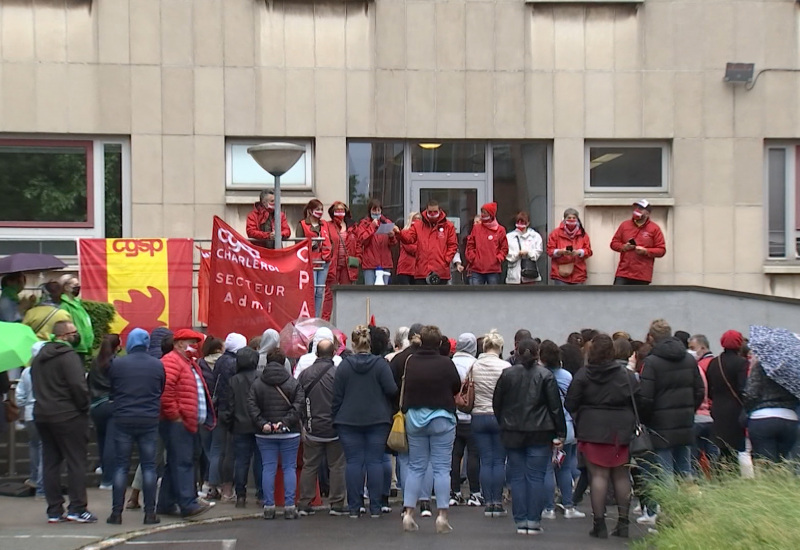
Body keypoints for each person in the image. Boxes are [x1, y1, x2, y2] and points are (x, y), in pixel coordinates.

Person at [565, 334, 640, 539]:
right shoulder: (626, 374)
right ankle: (623, 523)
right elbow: (639, 400)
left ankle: (599, 524)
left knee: (598, 476)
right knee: (621, 475)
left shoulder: (583, 374)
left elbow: (570, 403)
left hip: (592, 427)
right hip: (620, 429)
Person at [493, 338, 566, 536]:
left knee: (517, 476)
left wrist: (503, 422)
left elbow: (497, 403)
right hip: (540, 432)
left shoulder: (507, 374)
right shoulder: (546, 375)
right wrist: (560, 433)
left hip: (512, 430)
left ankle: (520, 520)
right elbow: (555, 407)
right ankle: (533, 520)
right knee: (536, 476)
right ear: (537, 353)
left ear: (516, 352)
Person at [637, 319, 704, 525]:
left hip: (660, 425)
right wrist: (688, 411)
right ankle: (689, 514)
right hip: (685, 423)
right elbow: (699, 390)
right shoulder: (689, 359)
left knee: (663, 472)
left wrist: (646, 420)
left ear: (651, 337)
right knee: (685, 471)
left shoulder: (652, 362)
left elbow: (645, 398)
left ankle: (667, 516)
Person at [31, 320, 96, 523]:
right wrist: (84, 407)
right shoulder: (69, 357)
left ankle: (54, 510)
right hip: (69, 415)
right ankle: (77, 508)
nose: (77, 335)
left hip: (42, 414)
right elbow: (78, 386)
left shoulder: (38, 358)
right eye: (74, 332)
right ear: (65, 336)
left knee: (51, 462)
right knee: (76, 462)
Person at [400, 326, 461, 533]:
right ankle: (442, 515)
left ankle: (408, 512)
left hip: (415, 418)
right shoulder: (446, 363)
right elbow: (456, 386)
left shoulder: (411, 362)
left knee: (416, 467)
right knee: (442, 468)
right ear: (438, 342)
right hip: (442, 417)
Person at [332, 325, 397, 518]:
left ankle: (354, 506)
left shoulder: (344, 366)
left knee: (353, 462)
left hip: (348, 419)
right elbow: (392, 390)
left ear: (353, 343)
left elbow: (336, 396)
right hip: (377, 419)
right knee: (375, 462)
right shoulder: (380, 365)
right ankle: (375, 507)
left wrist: (335, 417)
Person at [106, 328, 165, 525]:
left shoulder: (118, 364)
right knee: (149, 466)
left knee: (121, 466)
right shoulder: (157, 365)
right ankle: (150, 513)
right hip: (149, 419)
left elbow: (112, 390)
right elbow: (160, 388)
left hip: (123, 418)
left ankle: (116, 513)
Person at [157, 329, 215, 519]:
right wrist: (175, 415)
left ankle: (166, 503)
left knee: (176, 461)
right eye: (191, 342)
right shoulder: (172, 361)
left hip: (186, 421)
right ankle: (187, 504)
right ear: (179, 343)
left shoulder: (185, 362)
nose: (195, 346)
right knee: (183, 462)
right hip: (178, 422)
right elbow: (166, 391)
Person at [247, 347, 305, 520]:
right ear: (283, 362)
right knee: (289, 468)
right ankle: (289, 506)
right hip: (289, 432)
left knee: (268, 468)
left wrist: (263, 423)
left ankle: (269, 505)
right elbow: (299, 405)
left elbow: (251, 405)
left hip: (264, 434)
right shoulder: (292, 382)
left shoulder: (257, 383)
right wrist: (285, 422)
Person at [297, 340, 347, 516]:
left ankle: (304, 502)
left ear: (316, 353)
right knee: (337, 466)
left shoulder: (305, 374)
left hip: (312, 427)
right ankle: (337, 503)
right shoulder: (338, 374)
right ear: (334, 353)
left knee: (309, 465)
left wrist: (303, 421)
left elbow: (299, 401)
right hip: (335, 428)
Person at [538, 341, 584, 521]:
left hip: (546, 427)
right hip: (568, 428)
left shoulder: (541, 375)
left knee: (547, 469)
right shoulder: (566, 376)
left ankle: (548, 508)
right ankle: (568, 506)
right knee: (564, 468)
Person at [470, 330, 511, 518]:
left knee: (485, 460)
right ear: (500, 347)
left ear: (484, 347)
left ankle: (487, 502)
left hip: (478, 415)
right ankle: (497, 501)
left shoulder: (475, 366)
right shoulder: (505, 366)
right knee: (499, 461)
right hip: (499, 416)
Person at [220, 347, 263, 509]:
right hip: (259, 425)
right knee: (260, 462)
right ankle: (261, 494)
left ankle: (241, 495)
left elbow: (230, 406)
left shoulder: (234, 380)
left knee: (241, 462)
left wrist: (229, 424)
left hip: (239, 425)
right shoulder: (260, 378)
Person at [208, 333, 247, 501]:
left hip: (217, 409)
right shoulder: (235, 364)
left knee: (216, 449)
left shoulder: (220, 361)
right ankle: (227, 489)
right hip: (232, 411)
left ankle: (212, 486)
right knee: (230, 452)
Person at [743, 358, 799, 464]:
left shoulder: (761, 365)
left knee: (765, 464)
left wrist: (748, 409)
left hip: (762, 418)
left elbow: (750, 393)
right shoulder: (793, 367)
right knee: (784, 464)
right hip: (789, 418)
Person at [449, 333, 482, 507]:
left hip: (453, 416)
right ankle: (475, 492)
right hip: (472, 415)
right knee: (474, 455)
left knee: (455, 455)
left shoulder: (450, 363)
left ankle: (454, 492)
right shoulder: (475, 364)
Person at [705, 331, 748, 462]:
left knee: (721, 446)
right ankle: (731, 475)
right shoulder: (741, 363)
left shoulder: (714, 362)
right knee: (734, 449)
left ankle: (719, 474)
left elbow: (709, 387)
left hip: (717, 408)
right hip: (735, 409)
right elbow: (743, 388)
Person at [395, 199, 458, 285]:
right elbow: (408, 239)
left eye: (435, 212)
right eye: (430, 212)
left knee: (440, 298)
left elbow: (452, 245)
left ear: (440, 211)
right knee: (420, 298)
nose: (432, 214)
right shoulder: (418, 225)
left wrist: (446, 260)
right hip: (422, 271)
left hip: (441, 271)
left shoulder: (448, 226)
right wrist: (399, 233)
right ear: (426, 210)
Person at [88, 334, 122, 490]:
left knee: (101, 439)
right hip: (111, 404)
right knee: (111, 443)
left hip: (95, 406)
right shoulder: (116, 363)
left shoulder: (95, 363)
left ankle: (102, 466)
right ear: (117, 347)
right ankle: (108, 480)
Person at [15, 342, 47, 498]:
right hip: (45, 412)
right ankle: (42, 487)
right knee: (45, 449)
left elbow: (19, 396)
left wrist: (24, 404)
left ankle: (34, 478)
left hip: (29, 414)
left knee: (34, 446)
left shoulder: (27, 372)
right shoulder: (49, 370)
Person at [610, 200, 666, 285]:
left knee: (640, 298)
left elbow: (661, 250)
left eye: (640, 208)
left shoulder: (654, 228)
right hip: (623, 273)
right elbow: (614, 243)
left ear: (647, 213)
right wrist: (624, 247)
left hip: (642, 275)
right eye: (636, 208)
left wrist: (646, 251)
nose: (637, 210)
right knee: (617, 297)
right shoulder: (625, 225)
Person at [322, 201, 360, 320]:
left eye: (342, 209)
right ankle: (325, 321)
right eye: (337, 210)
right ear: (332, 212)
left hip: (348, 266)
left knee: (346, 293)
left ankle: (346, 320)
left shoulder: (353, 226)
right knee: (329, 294)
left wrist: (359, 258)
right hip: (333, 264)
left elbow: (358, 244)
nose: (340, 212)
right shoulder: (328, 225)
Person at [297, 199, 333, 316]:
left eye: (322, 209)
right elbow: (298, 244)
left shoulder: (325, 224)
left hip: (324, 260)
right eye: (317, 209)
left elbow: (330, 240)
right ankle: (310, 315)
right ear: (310, 210)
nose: (320, 212)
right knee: (311, 291)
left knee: (320, 291)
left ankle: (317, 316)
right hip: (310, 261)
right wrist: (310, 245)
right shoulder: (302, 224)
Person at [688, 334, 718, 469]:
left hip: (696, 417)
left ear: (703, 347)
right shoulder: (713, 363)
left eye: (693, 348)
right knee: (713, 457)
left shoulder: (699, 366)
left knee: (694, 459)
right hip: (709, 416)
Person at [464, 202, 509, 285]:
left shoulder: (500, 230)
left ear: (491, 214)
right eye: (482, 212)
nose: (482, 215)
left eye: (485, 212)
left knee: (493, 296)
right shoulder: (476, 228)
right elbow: (470, 245)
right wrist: (473, 258)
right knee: (476, 295)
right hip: (477, 269)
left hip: (493, 270)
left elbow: (504, 248)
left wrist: (498, 258)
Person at [356, 198, 396, 286]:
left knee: (384, 293)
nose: (376, 212)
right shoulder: (364, 224)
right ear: (370, 211)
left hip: (385, 263)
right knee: (370, 292)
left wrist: (392, 236)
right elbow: (362, 240)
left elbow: (393, 244)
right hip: (370, 264)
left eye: (378, 210)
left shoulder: (387, 222)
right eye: (374, 209)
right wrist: (372, 227)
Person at [547, 208, 593, 285]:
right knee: (562, 296)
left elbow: (588, 251)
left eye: (574, 218)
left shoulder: (583, 235)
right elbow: (549, 250)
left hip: (578, 273)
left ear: (577, 219)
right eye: (569, 218)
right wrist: (561, 251)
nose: (571, 220)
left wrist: (579, 252)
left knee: (578, 297)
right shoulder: (555, 233)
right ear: (564, 219)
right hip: (560, 274)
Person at [58, 275, 94, 356]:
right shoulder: (64, 305)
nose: (78, 287)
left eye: (78, 285)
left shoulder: (77, 303)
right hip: (74, 347)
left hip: (82, 346)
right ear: (66, 287)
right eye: (75, 285)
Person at [505, 211, 543, 285]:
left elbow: (538, 252)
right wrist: (517, 254)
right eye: (518, 222)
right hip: (514, 275)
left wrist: (528, 253)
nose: (520, 224)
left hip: (530, 272)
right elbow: (506, 253)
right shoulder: (509, 237)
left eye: (523, 222)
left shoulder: (535, 236)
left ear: (528, 223)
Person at [395, 212, 421, 285]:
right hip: (405, 269)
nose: (417, 221)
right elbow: (410, 248)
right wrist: (422, 250)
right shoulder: (405, 232)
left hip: (417, 270)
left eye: (419, 219)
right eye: (415, 219)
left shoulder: (422, 234)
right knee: (405, 294)